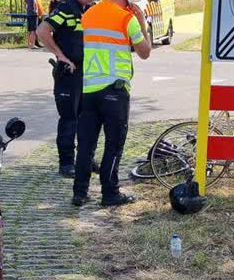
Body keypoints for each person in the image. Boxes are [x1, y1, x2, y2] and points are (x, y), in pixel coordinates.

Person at [71, 0, 151, 207]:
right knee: (113, 145)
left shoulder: (88, 14)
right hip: (115, 90)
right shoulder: (126, 18)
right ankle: (110, 193)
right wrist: (142, 21)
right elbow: (145, 52)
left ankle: (79, 193)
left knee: (86, 145)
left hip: (89, 89)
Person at [36, 0, 94, 177]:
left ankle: (86, 160)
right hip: (69, 73)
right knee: (69, 119)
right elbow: (42, 31)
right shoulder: (66, 8)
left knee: (88, 119)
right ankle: (67, 163)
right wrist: (61, 57)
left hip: (88, 72)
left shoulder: (93, 9)